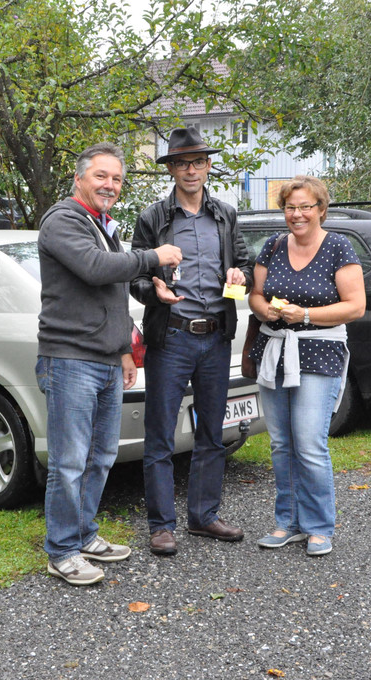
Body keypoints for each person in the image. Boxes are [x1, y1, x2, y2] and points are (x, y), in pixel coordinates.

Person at [36, 142, 182, 585]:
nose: (110, 185)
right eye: (101, 176)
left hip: (103, 360)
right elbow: (96, 268)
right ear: (79, 178)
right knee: (69, 462)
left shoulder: (101, 225)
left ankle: (83, 535)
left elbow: (111, 293)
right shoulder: (63, 220)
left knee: (101, 456)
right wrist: (155, 256)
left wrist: (123, 350)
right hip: (70, 359)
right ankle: (62, 551)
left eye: (117, 178)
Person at [130, 127, 254, 556]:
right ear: (171, 169)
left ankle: (203, 516)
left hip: (216, 337)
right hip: (172, 337)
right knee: (161, 435)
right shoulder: (153, 218)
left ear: (208, 166)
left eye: (198, 162)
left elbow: (245, 265)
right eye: (182, 163)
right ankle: (161, 526)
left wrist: (241, 275)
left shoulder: (225, 214)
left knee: (212, 434)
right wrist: (154, 292)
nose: (190, 170)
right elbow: (135, 277)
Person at [247, 176, 365, 556]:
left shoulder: (338, 247)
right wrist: (264, 309)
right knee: (282, 444)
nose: (297, 214)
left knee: (310, 444)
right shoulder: (273, 245)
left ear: (321, 210)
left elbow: (355, 306)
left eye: (305, 207)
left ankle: (318, 526)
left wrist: (307, 315)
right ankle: (288, 523)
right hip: (275, 351)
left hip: (319, 351)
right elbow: (256, 295)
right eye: (290, 207)